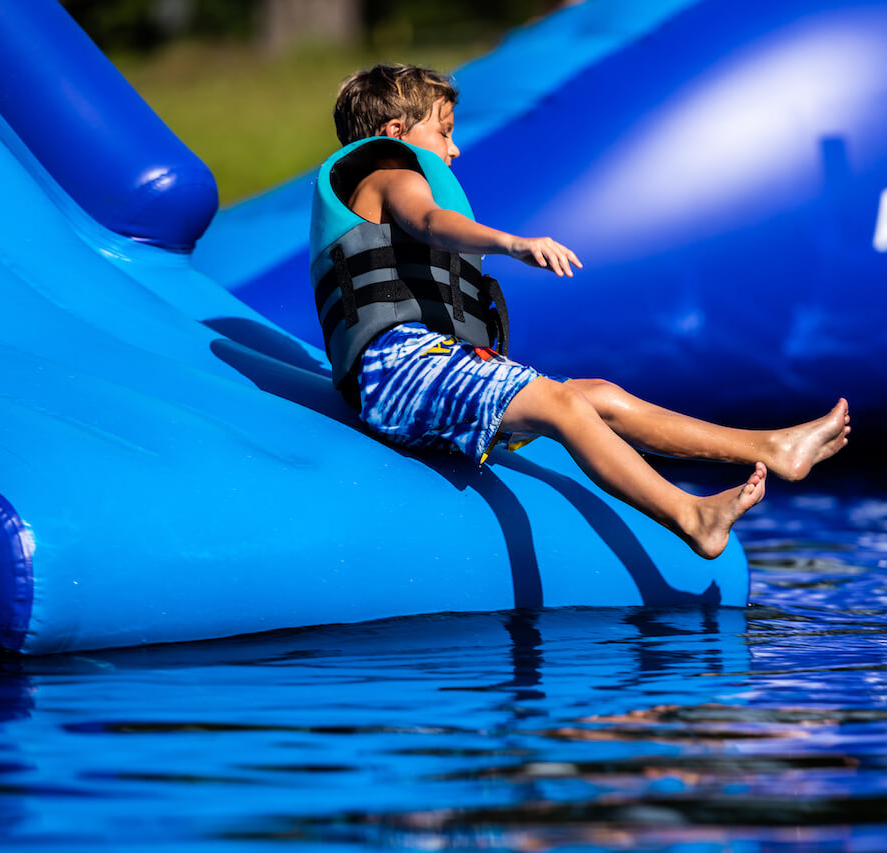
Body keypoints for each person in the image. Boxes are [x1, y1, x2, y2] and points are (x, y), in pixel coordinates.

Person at [311, 64, 850, 560]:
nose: (454, 150)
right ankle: (690, 514)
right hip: (398, 372)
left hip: (433, 368)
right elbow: (429, 223)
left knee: (599, 397)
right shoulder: (389, 173)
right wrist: (513, 244)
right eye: (444, 131)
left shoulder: (395, 176)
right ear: (396, 131)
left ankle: (772, 447)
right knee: (563, 406)